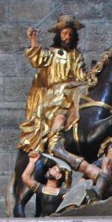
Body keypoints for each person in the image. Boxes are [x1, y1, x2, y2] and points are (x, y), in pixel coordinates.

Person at [18, 15, 88, 156]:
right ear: (58, 35)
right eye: (64, 34)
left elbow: (81, 76)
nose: (67, 37)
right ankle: (54, 144)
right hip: (54, 96)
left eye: (70, 34)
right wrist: (33, 39)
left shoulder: (76, 55)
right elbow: (37, 59)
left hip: (72, 93)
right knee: (60, 115)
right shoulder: (50, 53)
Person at [21, 151, 69, 216]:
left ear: (58, 176)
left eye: (54, 169)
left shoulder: (63, 193)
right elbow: (25, 178)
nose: (49, 168)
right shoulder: (42, 189)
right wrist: (32, 162)